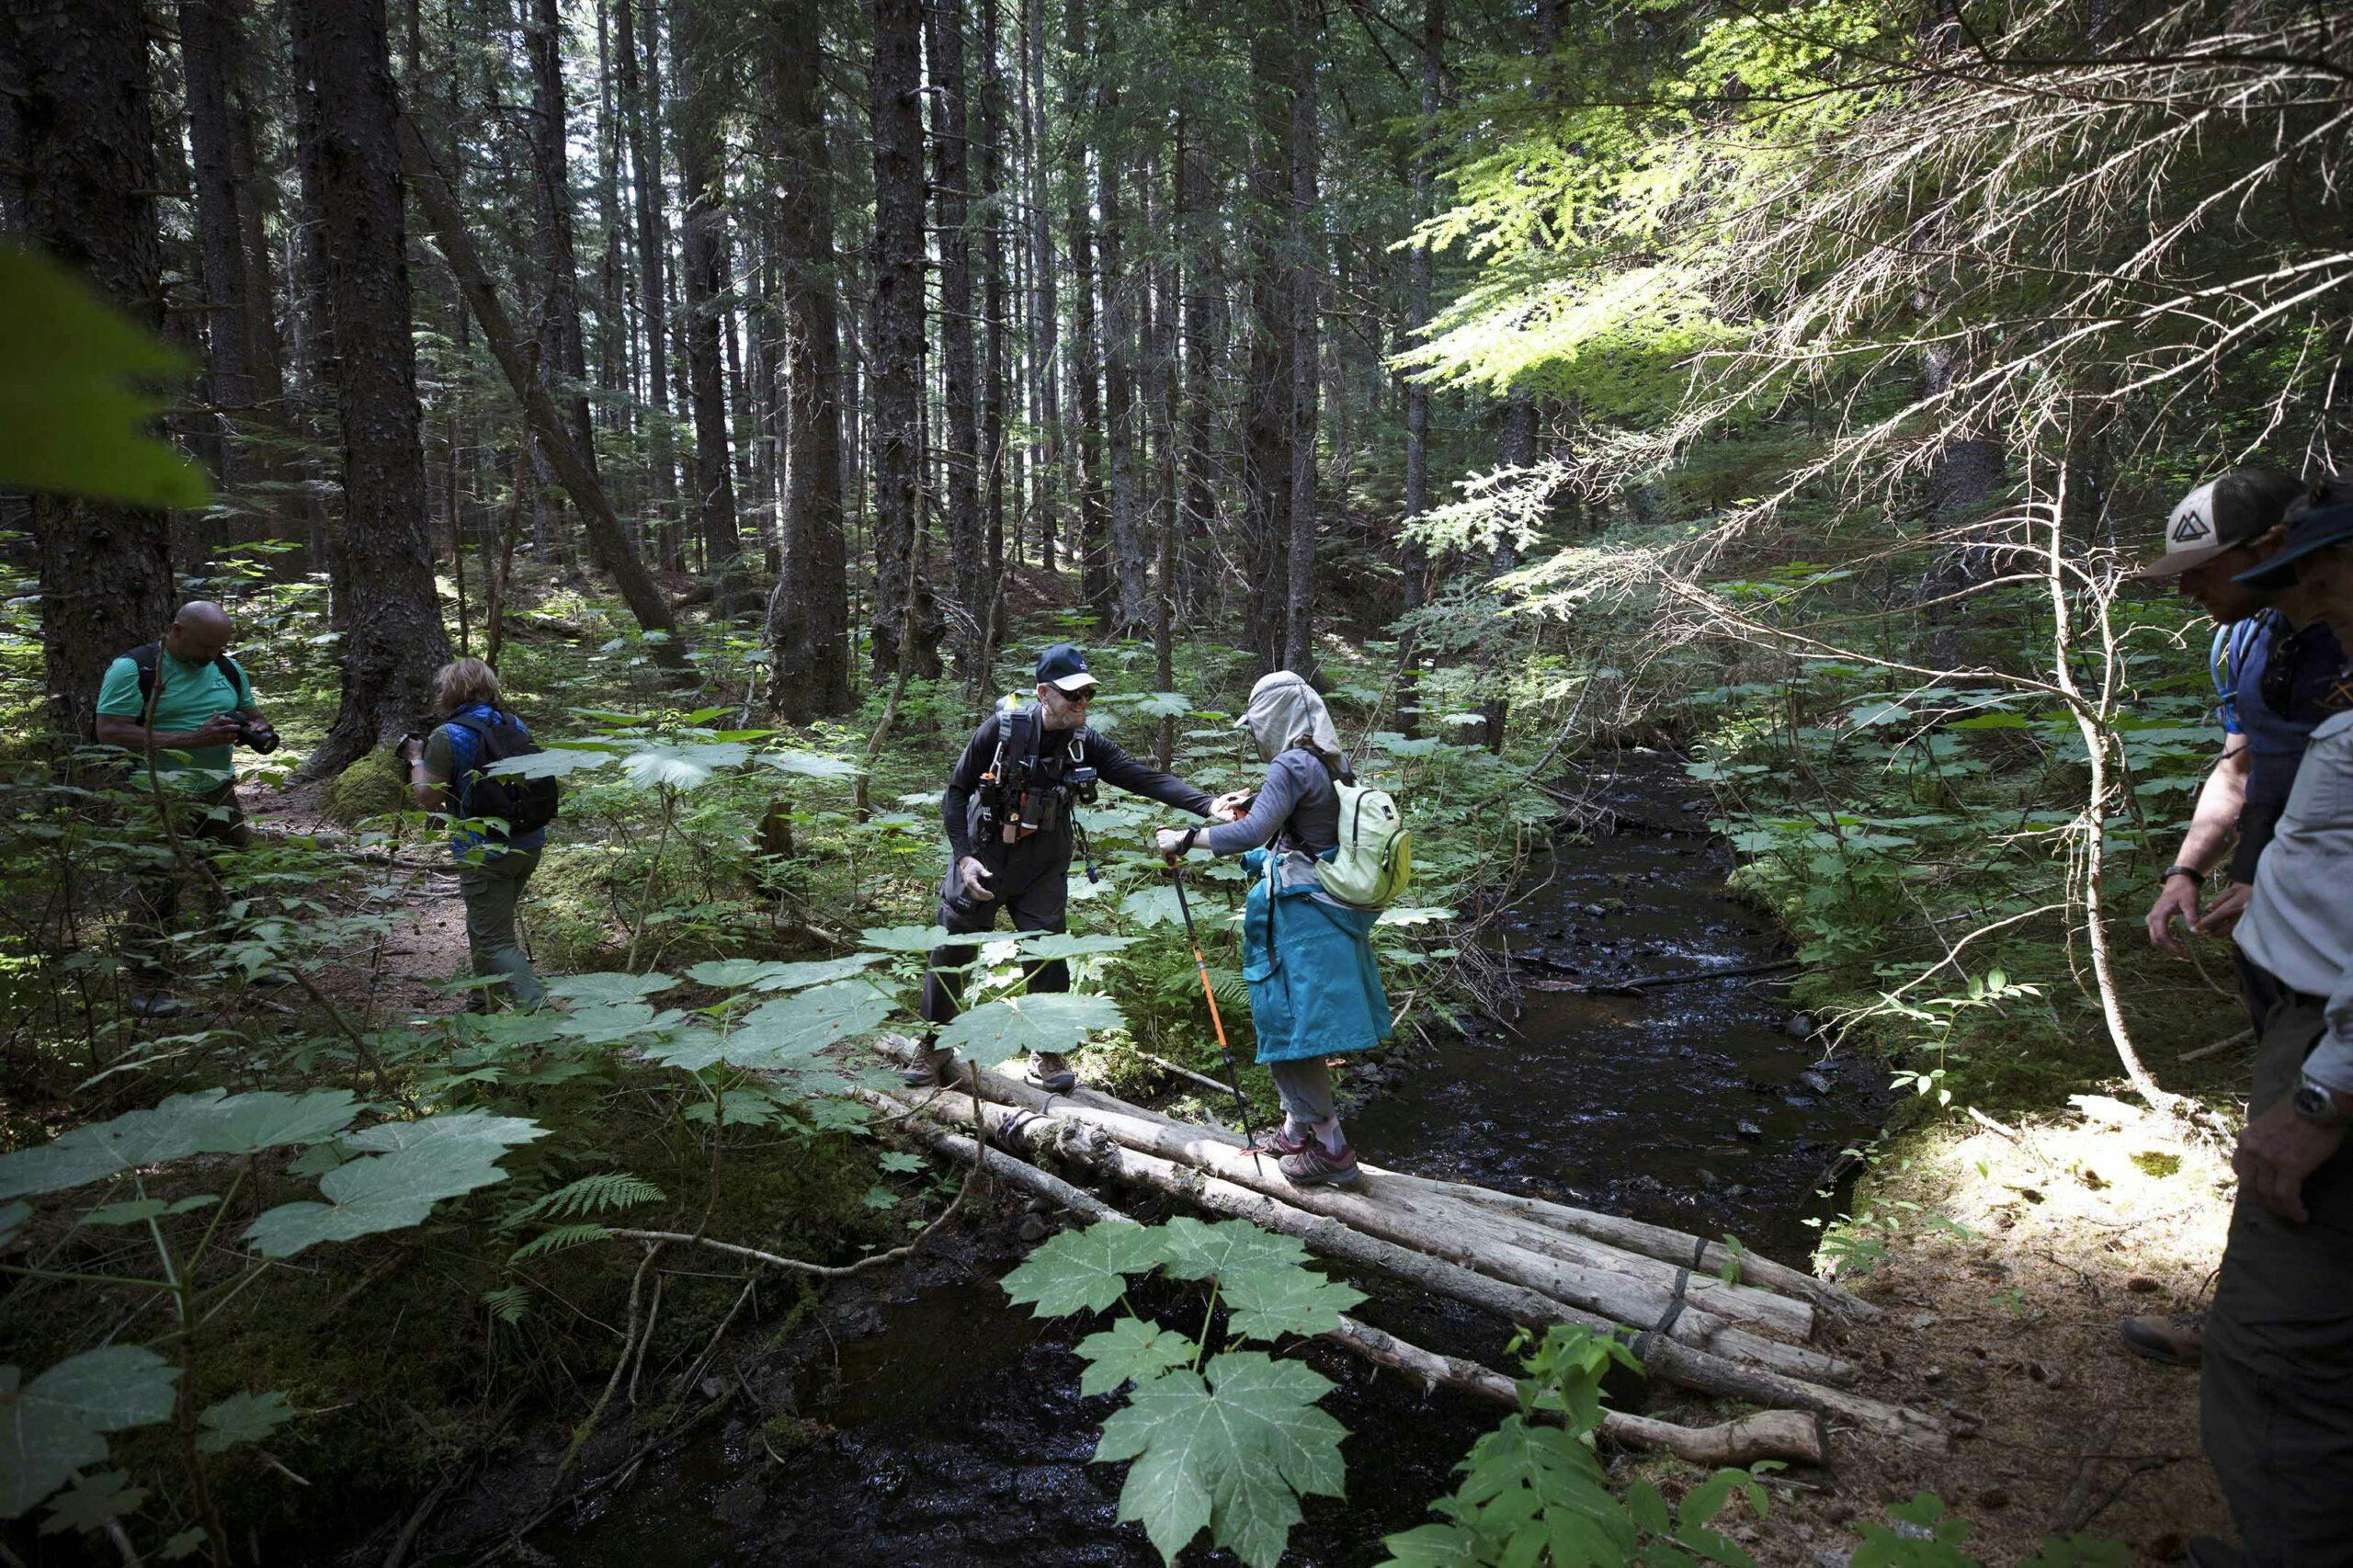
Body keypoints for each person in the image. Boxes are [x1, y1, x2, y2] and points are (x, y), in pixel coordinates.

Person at [2124, 467, 2336, 1366]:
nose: (2185, 586)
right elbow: (2240, 767)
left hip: (2331, 924)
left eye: (2201, 567)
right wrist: (2187, 869)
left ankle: (2274, 1327)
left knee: (2306, 1107)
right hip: (2265, 907)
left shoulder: (2343, 631)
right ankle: (2266, 1305)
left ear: (2270, 549)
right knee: (2280, 1087)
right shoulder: (2245, 642)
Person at [2189, 480, 2353, 1568]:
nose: (2308, 601)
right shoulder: (2307, 664)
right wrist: (2262, 883)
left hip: (2329, 1049)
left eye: (2321, 577)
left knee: (2279, 1345)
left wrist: (2323, 1093)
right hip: (2306, 1013)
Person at [909, 643, 1222, 1090]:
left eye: (1088, 694)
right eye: (1072, 694)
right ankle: (935, 1044)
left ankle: (1045, 1050)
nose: (1082, 703)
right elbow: (956, 792)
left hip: (1044, 861)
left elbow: (1142, 777)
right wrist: (964, 857)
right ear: (1043, 693)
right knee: (954, 950)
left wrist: (1208, 804)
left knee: (1047, 955)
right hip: (985, 854)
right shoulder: (1000, 731)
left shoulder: (1085, 743)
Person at [1154, 670, 1392, 1187]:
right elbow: (1301, 840)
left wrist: (1185, 837)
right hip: (1326, 910)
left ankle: (1331, 1147)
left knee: (1295, 1028)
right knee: (1294, 1023)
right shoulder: (1333, 762)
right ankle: (1295, 1130)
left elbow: (1251, 834)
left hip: (1299, 918)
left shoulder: (1290, 762)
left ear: (1274, 718)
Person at [93, 600, 276, 1016]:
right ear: (176, 630)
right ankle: (148, 986)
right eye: (203, 646)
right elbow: (110, 730)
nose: (211, 655)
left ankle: (243, 962)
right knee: (158, 888)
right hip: (155, 795)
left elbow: (251, 711)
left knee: (233, 877)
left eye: (219, 647)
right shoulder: (133, 669)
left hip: (218, 791)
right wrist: (192, 739)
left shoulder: (226, 667)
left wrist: (257, 727)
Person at [401, 658, 548, 1008]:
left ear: (449, 692)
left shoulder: (447, 735)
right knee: (486, 926)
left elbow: (428, 798)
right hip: (528, 841)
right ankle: (483, 1002)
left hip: (484, 851)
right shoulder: (514, 724)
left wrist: (415, 760)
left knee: (495, 938)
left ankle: (543, 1019)